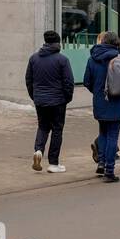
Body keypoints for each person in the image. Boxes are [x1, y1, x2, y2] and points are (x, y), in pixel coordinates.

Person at [80, 30, 120, 183]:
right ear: (116, 43)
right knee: (113, 136)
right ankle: (109, 171)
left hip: (100, 102)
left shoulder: (92, 59)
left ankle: (101, 163)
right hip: (116, 102)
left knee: (103, 133)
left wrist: (98, 92)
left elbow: (86, 81)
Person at [26, 30, 76, 174]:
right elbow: (69, 82)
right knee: (57, 129)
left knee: (42, 126)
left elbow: (29, 79)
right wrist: (67, 98)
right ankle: (53, 163)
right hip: (57, 101)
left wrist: (34, 96)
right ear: (58, 43)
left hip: (40, 100)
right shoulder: (62, 60)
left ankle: (38, 150)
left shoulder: (34, 58)